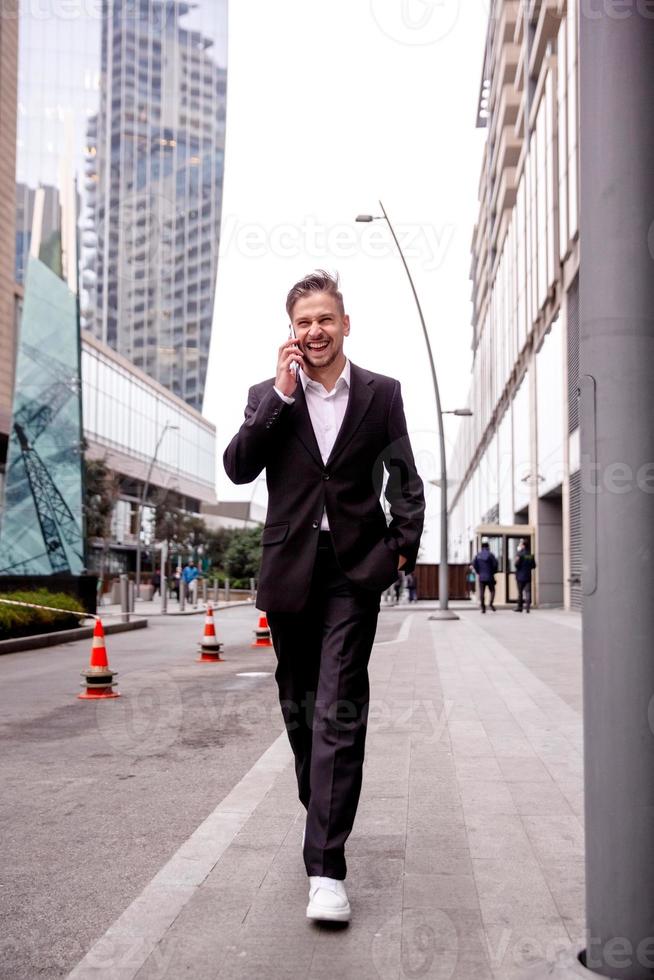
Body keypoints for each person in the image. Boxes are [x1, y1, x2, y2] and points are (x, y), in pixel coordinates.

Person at [223, 270, 425, 924]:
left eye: (325, 319)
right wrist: (278, 398)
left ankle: (326, 869)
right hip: (289, 571)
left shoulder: (382, 394)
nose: (315, 331)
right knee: (301, 710)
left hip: (353, 574)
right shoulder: (269, 396)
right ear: (292, 331)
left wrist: (399, 548)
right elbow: (238, 466)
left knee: (340, 706)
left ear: (345, 324)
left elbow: (406, 480)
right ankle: (324, 804)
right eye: (303, 322)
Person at [472, 539, 498, 613]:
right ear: (488, 547)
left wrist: (478, 572)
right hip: (490, 576)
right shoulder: (491, 555)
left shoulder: (478, 555)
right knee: (492, 590)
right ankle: (491, 603)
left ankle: (483, 608)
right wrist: (493, 572)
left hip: (481, 577)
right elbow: (495, 564)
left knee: (482, 592)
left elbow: (474, 564)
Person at [514, 538, 536, 613]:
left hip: (520, 576)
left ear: (523, 545)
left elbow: (516, 565)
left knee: (520, 592)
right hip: (528, 576)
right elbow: (533, 566)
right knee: (528, 592)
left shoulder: (519, 554)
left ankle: (519, 607)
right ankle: (527, 608)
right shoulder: (530, 555)